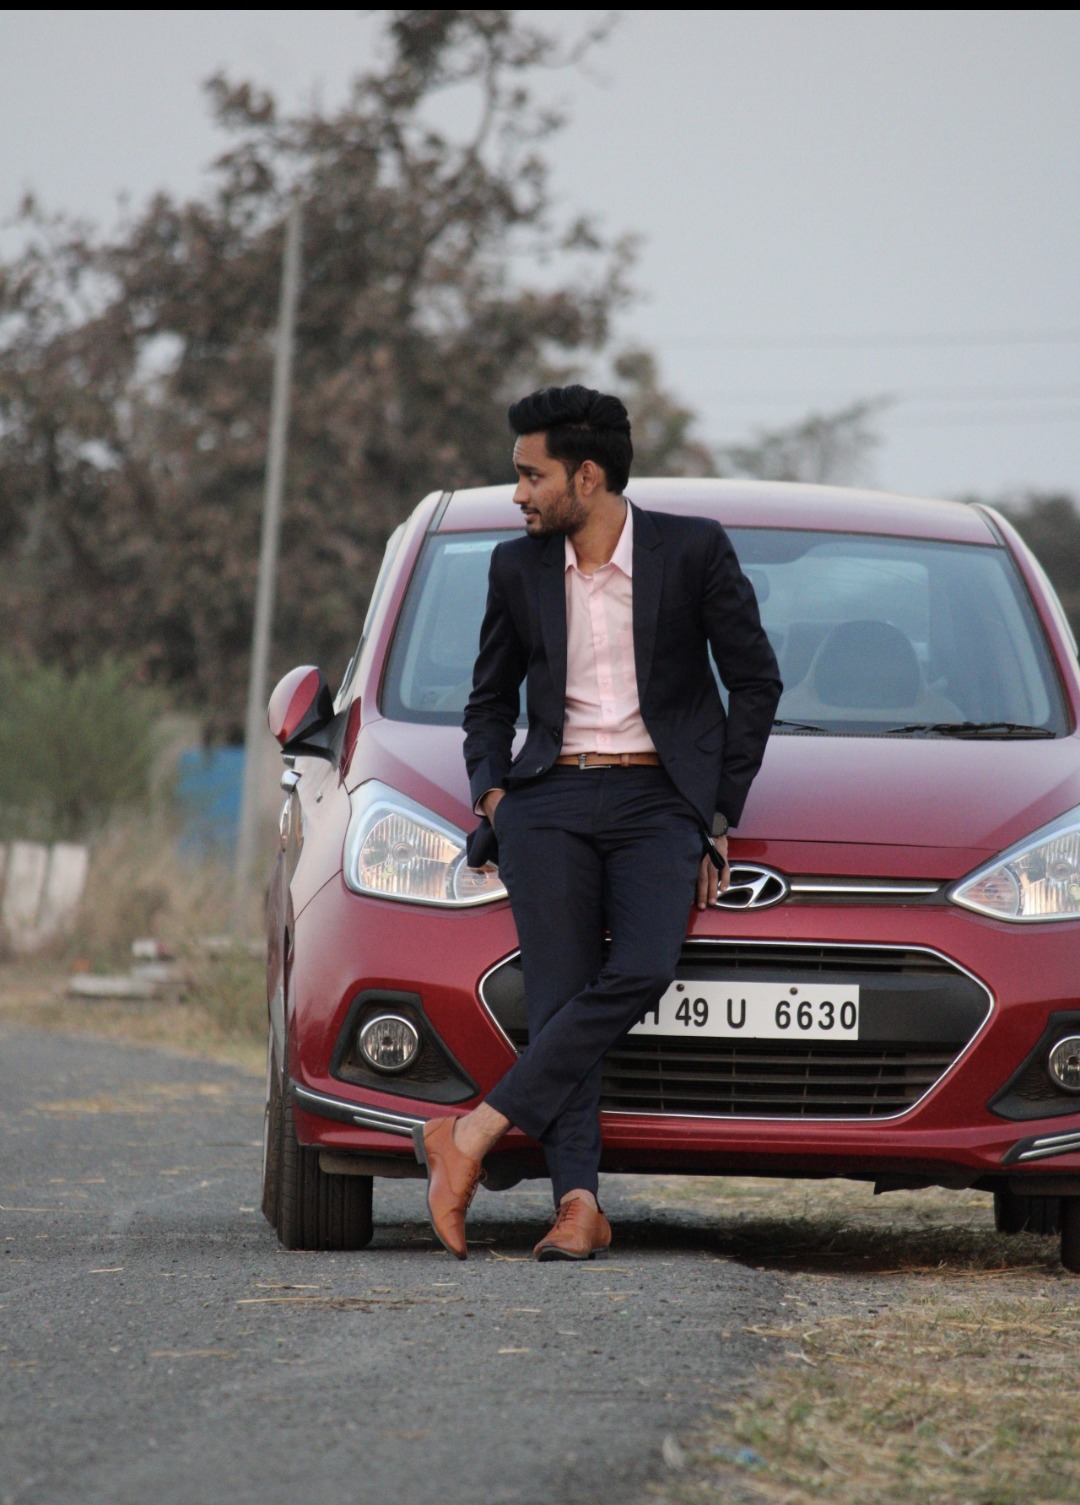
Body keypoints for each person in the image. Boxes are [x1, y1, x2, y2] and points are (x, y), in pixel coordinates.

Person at [412, 385, 782, 1260]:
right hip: (549, 799)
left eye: (531, 475)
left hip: (658, 800)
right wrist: (495, 798)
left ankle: (469, 1135)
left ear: (587, 477)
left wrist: (716, 810)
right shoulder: (518, 567)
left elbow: (755, 681)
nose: (519, 494)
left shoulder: (692, 551)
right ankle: (577, 1203)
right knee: (559, 996)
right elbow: (488, 702)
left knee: (643, 967)